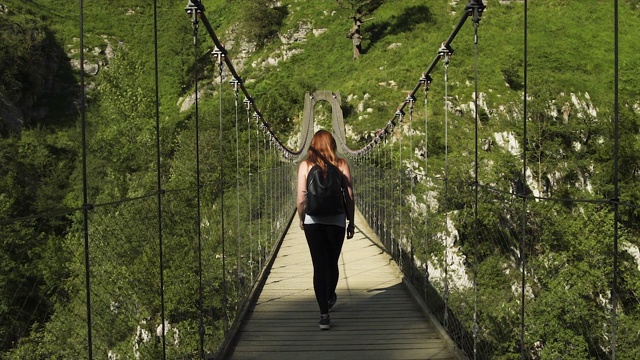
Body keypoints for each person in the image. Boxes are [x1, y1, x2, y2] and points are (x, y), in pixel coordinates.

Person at [296, 130, 355, 330]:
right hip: (337, 220)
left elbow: (301, 199)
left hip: (314, 220)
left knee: (319, 267)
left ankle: (324, 316)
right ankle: (329, 296)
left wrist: (302, 218)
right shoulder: (342, 164)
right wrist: (351, 221)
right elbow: (349, 196)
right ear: (332, 144)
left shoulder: (305, 165)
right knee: (332, 263)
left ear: (312, 144)